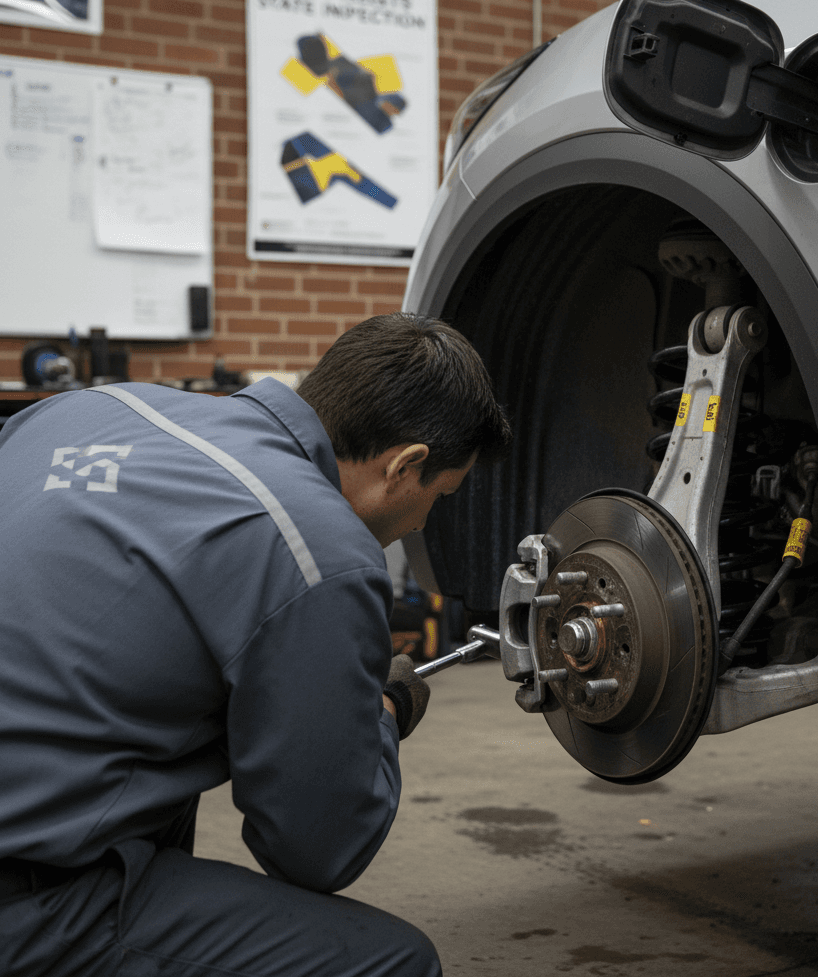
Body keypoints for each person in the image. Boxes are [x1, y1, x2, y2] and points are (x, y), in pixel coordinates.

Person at [0, 313, 511, 977]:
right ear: (405, 465)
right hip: (27, 898)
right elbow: (317, 851)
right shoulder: (318, 551)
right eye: (439, 496)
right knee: (392, 962)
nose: (422, 521)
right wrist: (377, 716)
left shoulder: (80, 410)